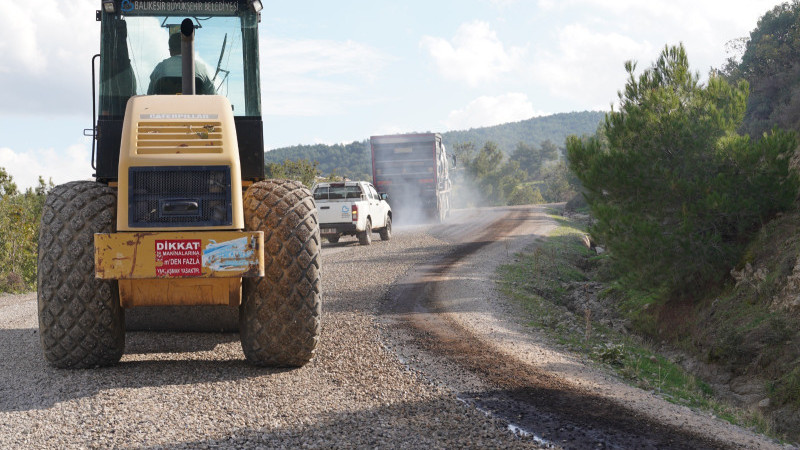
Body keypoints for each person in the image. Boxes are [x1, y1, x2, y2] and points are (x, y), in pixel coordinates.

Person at [147, 32, 216, 95]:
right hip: (194, 108)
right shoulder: (201, 68)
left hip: (165, 108)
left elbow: (149, 96)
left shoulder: (160, 67)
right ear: (189, 48)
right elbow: (213, 96)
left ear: (170, 51)